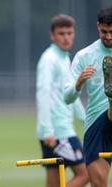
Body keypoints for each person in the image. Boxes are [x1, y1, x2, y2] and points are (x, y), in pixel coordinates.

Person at [64, 6, 112, 187]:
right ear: (98, 26)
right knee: (98, 183)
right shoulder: (84, 56)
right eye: (103, 31)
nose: (108, 36)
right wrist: (78, 83)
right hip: (95, 124)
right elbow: (67, 98)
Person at [36, 14, 89, 187]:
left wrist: (86, 121)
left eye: (69, 33)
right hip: (59, 133)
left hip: (54, 132)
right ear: (52, 35)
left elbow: (71, 96)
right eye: (61, 33)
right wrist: (47, 130)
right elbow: (42, 93)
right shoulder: (49, 59)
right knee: (86, 173)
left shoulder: (64, 58)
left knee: (54, 183)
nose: (66, 37)